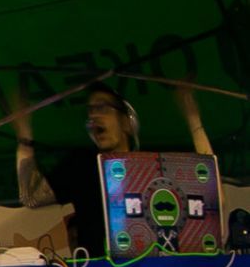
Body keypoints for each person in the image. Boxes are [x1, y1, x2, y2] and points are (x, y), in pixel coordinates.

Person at [13, 81, 215, 257]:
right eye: (90, 111)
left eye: (102, 108)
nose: (94, 116)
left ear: (127, 122)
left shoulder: (151, 166)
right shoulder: (80, 165)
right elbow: (32, 196)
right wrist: (24, 135)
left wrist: (193, 118)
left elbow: (207, 182)